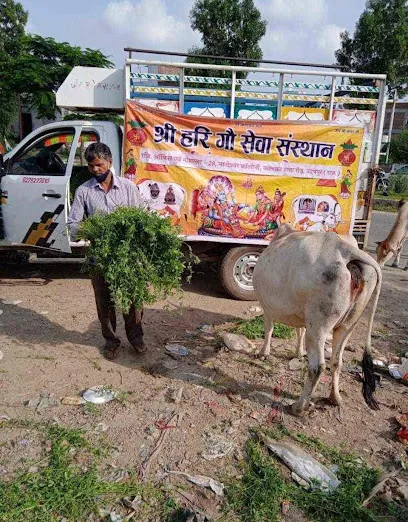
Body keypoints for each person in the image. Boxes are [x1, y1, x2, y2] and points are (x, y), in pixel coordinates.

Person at [68, 142, 146, 360]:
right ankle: (111, 341)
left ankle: (136, 338)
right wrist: (90, 230)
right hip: (99, 257)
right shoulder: (84, 191)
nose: (96, 170)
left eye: (100, 165)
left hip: (127, 255)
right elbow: (73, 223)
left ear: (110, 162)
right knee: (104, 301)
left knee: (132, 300)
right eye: (91, 166)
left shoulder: (129, 188)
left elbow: (141, 219)